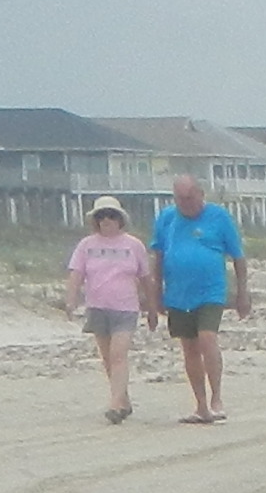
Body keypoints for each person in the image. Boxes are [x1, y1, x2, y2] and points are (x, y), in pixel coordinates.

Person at [150, 174, 249, 421]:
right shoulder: (167, 218)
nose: (185, 203)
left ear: (201, 194)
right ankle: (201, 404)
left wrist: (242, 293)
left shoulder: (219, 217)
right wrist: (155, 295)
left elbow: (238, 256)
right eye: (180, 199)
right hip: (178, 294)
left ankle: (216, 398)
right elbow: (158, 258)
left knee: (207, 339)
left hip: (211, 291)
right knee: (189, 348)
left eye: (190, 198)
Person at [66, 198, 152, 422]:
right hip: (97, 307)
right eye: (101, 216)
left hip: (126, 308)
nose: (106, 220)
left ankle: (115, 405)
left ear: (120, 219)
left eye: (111, 215)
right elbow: (76, 273)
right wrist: (71, 299)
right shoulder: (87, 245)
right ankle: (123, 399)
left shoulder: (133, 245)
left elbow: (145, 278)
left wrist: (153, 307)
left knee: (118, 355)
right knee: (107, 357)